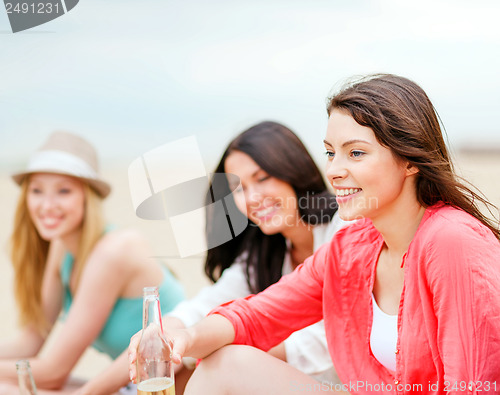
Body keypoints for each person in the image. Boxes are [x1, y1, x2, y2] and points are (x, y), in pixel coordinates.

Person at [129, 74, 500, 394]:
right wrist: (184, 339)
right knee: (223, 364)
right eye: (330, 153)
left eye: (355, 153)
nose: (335, 170)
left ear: (409, 160)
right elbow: (256, 316)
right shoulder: (351, 248)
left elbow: (472, 380)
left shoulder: (452, 241)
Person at [128, 121, 346, 393]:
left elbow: (326, 342)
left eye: (263, 178)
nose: (253, 198)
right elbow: (204, 306)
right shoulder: (265, 250)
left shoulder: (345, 229)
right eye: (239, 189)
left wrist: (217, 343)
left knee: (220, 360)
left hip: (351, 386)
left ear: (294, 171)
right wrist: (167, 334)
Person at [0, 131, 185, 395]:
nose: (47, 205)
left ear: (88, 197)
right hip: (128, 384)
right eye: (37, 190)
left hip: (168, 385)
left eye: (63, 191)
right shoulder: (61, 244)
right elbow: (30, 341)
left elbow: (53, 372)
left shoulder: (113, 252)